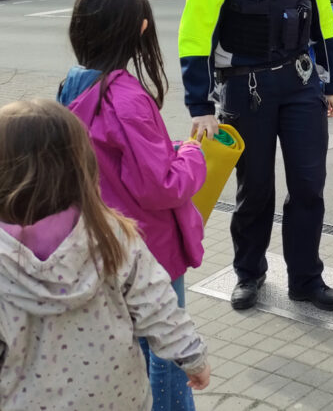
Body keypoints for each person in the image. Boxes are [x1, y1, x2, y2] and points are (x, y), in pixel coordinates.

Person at [179, 0, 333, 312]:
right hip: (244, 89)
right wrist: (200, 105)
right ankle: (249, 274)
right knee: (255, 191)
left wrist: (331, 83)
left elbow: (323, 19)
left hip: (300, 85)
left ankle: (306, 279)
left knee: (309, 186)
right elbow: (195, 35)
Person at [0, 99, 210, 411]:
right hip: (115, 397)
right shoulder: (111, 233)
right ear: (80, 164)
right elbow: (156, 302)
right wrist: (192, 356)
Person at [57, 0, 208, 410]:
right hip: (150, 246)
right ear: (140, 29)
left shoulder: (74, 84)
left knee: (132, 342)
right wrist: (192, 154)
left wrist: (168, 152)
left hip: (101, 238)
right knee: (167, 345)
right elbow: (161, 186)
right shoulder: (126, 97)